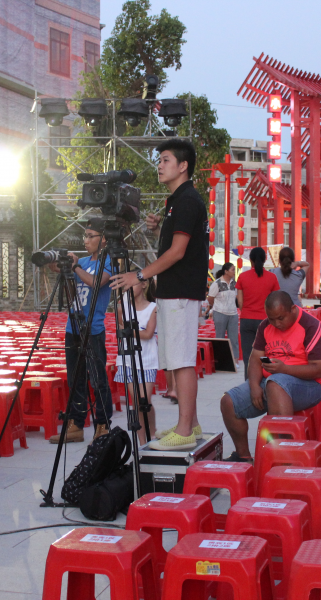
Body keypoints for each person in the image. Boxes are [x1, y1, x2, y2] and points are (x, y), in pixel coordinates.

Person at [110, 139, 209, 452]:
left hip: (181, 291)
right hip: (172, 289)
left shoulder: (188, 200)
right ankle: (189, 424)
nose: (160, 165)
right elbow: (174, 247)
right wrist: (158, 231)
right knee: (174, 361)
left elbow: (178, 253)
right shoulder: (174, 202)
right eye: (160, 159)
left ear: (183, 166)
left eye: (166, 159)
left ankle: (185, 430)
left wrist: (138, 275)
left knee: (181, 361)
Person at [220, 291, 321, 462]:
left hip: (309, 386)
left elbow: (318, 370)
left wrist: (284, 369)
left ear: (293, 309)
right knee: (228, 402)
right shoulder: (265, 326)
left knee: (276, 383)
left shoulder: (312, 327)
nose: (276, 323)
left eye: (280, 318)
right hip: (270, 382)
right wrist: (255, 386)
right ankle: (243, 456)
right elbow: (256, 359)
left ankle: (285, 458)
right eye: (271, 319)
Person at [48, 218, 114, 445]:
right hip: (72, 327)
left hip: (93, 328)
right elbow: (63, 278)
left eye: (90, 236)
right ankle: (76, 424)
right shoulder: (83, 261)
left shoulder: (108, 261)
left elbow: (96, 283)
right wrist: (57, 263)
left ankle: (103, 424)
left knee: (97, 379)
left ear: (103, 239)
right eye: (84, 236)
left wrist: (75, 266)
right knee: (75, 379)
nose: (85, 240)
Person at [114, 273, 159, 444]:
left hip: (147, 360)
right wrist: (131, 331)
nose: (128, 287)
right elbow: (120, 329)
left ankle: (152, 432)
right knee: (137, 402)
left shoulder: (153, 307)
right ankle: (142, 442)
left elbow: (148, 334)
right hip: (127, 359)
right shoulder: (121, 307)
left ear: (144, 284)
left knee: (144, 400)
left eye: (132, 283)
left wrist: (128, 331)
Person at [236, 248, 280, 381]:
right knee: (267, 354)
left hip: (247, 320)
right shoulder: (272, 277)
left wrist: (248, 311)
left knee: (249, 356)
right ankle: (265, 382)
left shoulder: (243, 277)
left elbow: (240, 301)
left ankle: (249, 385)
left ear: (250, 260)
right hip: (266, 322)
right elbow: (275, 301)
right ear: (265, 259)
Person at [207, 262, 239, 366]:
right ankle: (219, 361)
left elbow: (237, 297)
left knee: (233, 339)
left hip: (233, 313)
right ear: (226, 271)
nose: (234, 272)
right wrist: (217, 307)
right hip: (220, 313)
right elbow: (210, 298)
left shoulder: (235, 283)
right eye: (233, 270)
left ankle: (235, 361)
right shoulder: (217, 283)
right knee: (220, 338)